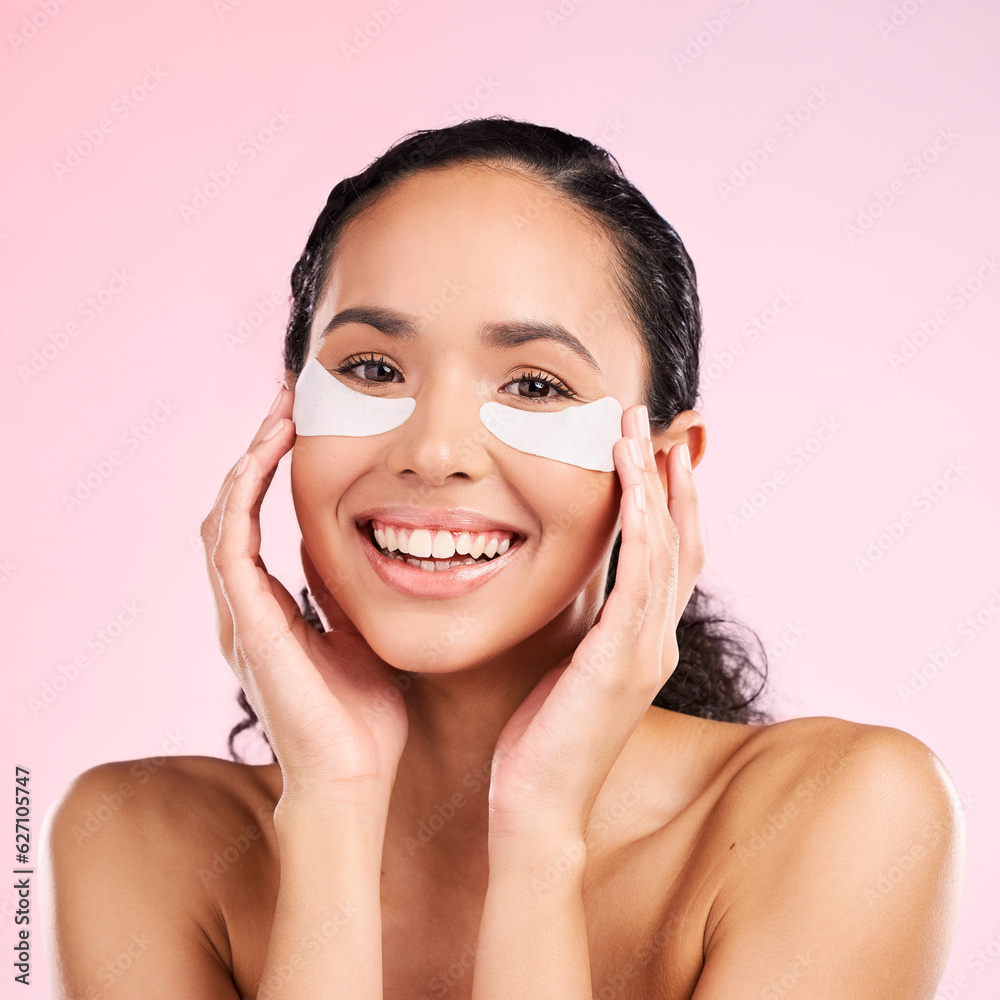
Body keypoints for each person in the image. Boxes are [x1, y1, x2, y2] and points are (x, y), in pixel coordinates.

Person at [44, 117, 964, 999]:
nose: (434, 449)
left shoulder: (842, 819)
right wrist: (331, 808)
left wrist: (541, 834)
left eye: (534, 384)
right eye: (370, 369)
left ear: (663, 467)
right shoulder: (136, 839)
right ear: (286, 422)